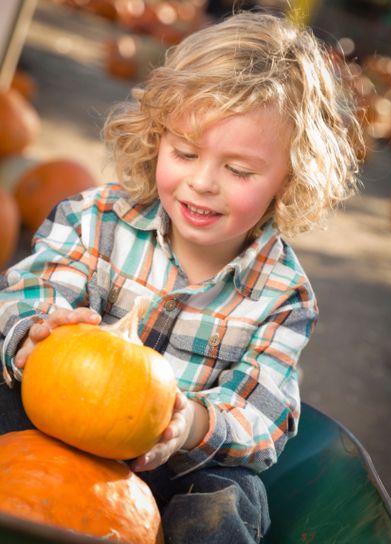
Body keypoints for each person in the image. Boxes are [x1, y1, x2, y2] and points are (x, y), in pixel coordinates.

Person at [0, 10, 363, 544]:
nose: (202, 182)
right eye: (185, 152)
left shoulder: (282, 295)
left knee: (233, 495)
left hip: (176, 466)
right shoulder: (94, 220)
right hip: (54, 421)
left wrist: (190, 424)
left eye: (239, 170)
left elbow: (262, 413)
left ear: (289, 178)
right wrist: (34, 331)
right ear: (157, 137)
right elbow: (34, 288)